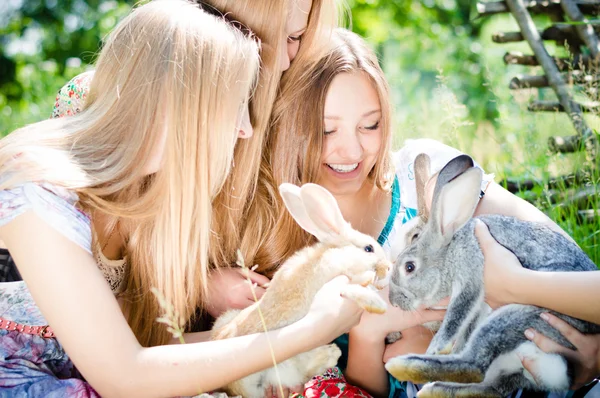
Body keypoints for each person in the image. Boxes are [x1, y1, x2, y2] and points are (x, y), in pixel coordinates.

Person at [0, 2, 363, 396]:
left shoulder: (145, 195)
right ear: (186, 105)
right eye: (236, 105)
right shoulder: (35, 189)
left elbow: (151, 353)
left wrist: (283, 331)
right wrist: (311, 330)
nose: (245, 129)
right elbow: (126, 377)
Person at [255, 27, 600, 397]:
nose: (351, 150)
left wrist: (516, 288)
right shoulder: (290, 240)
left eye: (369, 125)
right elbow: (365, 389)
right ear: (292, 127)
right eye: (326, 131)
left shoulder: (425, 180)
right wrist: (368, 335)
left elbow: (577, 271)